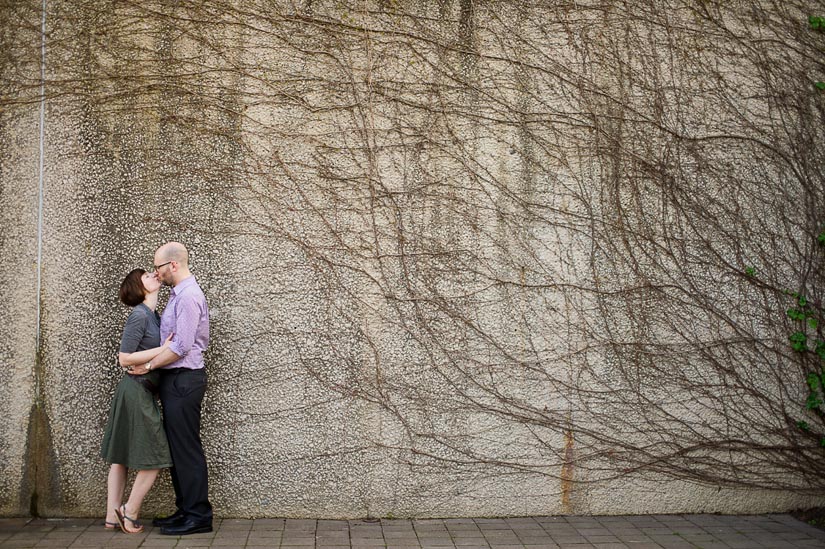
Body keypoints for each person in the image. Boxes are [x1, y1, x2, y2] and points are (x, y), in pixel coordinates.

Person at [128, 242, 213, 535]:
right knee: (178, 448)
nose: (157, 273)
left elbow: (180, 346)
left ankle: (199, 516)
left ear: (173, 265)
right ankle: (185, 509)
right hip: (175, 381)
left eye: (158, 268)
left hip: (184, 380)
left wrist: (148, 367)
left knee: (186, 448)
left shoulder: (188, 296)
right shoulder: (178, 296)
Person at [100, 269, 174, 534]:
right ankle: (128, 513)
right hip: (135, 390)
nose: (153, 275)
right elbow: (124, 358)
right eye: (145, 276)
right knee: (154, 457)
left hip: (138, 391)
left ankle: (111, 517)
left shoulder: (152, 316)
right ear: (139, 288)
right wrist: (164, 349)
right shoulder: (139, 315)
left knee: (120, 456)